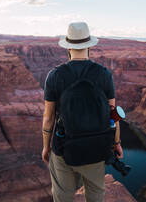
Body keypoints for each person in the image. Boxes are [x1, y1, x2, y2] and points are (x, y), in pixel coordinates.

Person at [41, 22, 123, 202]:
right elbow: (113, 114)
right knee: (95, 196)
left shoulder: (55, 76)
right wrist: (116, 142)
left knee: (63, 197)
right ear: (89, 46)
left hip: (63, 149)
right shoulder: (104, 74)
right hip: (96, 148)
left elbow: (48, 118)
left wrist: (47, 147)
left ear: (68, 47)